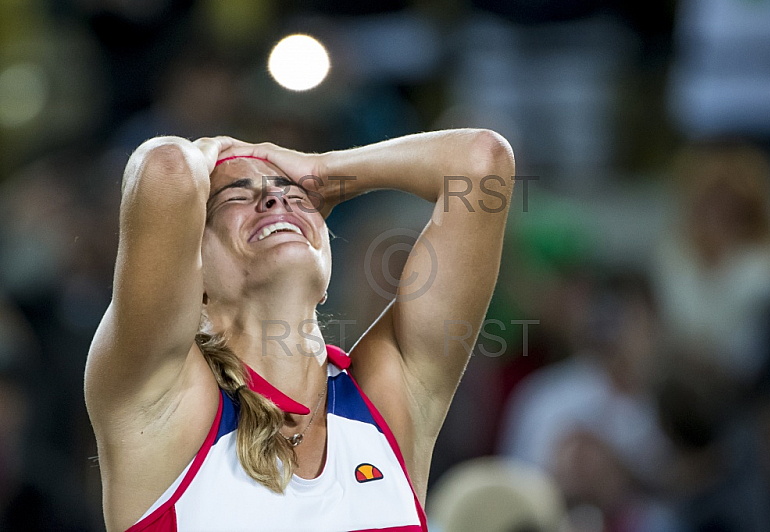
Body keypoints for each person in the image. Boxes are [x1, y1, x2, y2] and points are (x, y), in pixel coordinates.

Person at [84, 129, 515, 531]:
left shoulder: (385, 398)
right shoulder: (161, 399)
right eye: (236, 197)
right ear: (192, 280)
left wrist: (325, 172)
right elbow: (166, 168)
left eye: (295, 195)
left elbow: (481, 163)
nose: (276, 202)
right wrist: (210, 152)